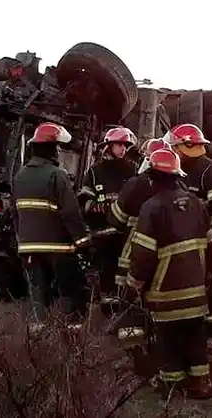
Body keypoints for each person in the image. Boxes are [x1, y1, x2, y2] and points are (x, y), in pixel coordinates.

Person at [126, 148, 212, 398]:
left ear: (152, 177)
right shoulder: (197, 204)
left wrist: (133, 283)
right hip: (197, 293)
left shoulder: (151, 208)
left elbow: (143, 255)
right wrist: (208, 277)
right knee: (196, 338)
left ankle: (173, 384)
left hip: (165, 294)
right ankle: (200, 382)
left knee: (168, 341)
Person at [12, 122, 93, 331]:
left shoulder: (19, 176)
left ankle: (38, 335)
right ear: (51, 148)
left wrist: (22, 241)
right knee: (69, 290)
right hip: (58, 247)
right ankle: (72, 333)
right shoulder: (57, 175)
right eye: (58, 147)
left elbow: (14, 213)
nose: (59, 151)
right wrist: (83, 242)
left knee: (38, 292)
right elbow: (70, 213)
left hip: (29, 248)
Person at [166, 124, 212, 349]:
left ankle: (211, 333)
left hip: (204, 241)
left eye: (175, 147)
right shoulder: (178, 168)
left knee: (207, 285)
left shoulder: (209, 171)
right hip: (180, 241)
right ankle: (188, 329)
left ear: (184, 146)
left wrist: (211, 237)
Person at [105, 137, 170, 340]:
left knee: (131, 294)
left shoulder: (134, 184)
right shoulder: (179, 189)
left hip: (134, 250)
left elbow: (115, 219)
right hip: (167, 256)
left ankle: (131, 340)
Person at [77, 127, 137, 305]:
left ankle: (125, 305)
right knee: (106, 273)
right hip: (102, 235)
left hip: (126, 234)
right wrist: (100, 208)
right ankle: (108, 309)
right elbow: (84, 202)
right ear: (108, 146)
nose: (123, 149)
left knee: (127, 272)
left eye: (125, 145)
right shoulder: (95, 172)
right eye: (119, 144)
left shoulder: (132, 170)